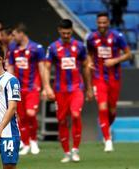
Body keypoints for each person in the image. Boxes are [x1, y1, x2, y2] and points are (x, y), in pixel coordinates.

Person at [43, 19, 93, 163]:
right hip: (60, 90)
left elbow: (85, 67)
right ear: (59, 30)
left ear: (72, 31)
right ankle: (66, 152)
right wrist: (47, 87)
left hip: (77, 88)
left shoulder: (79, 46)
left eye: (69, 33)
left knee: (76, 115)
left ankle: (75, 150)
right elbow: (46, 68)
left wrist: (89, 88)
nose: (66, 35)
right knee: (62, 120)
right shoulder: (53, 47)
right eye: (64, 33)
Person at [86, 12, 131, 152]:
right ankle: (108, 140)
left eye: (104, 22)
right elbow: (89, 54)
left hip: (114, 78)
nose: (102, 25)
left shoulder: (118, 37)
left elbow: (129, 54)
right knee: (102, 107)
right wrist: (89, 62)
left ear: (108, 23)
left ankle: (107, 127)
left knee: (112, 110)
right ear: (96, 23)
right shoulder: (91, 38)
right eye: (99, 23)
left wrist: (115, 60)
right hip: (99, 77)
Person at [7, 23, 44, 155]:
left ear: (21, 33)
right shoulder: (12, 48)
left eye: (14, 34)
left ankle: (34, 141)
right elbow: (10, 67)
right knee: (20, 117)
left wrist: (44, 86)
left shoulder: (36, 48)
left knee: (31, 113)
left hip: (32, 87)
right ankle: (26, 143)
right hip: (18, 88)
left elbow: (42, 67)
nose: (13, 37)